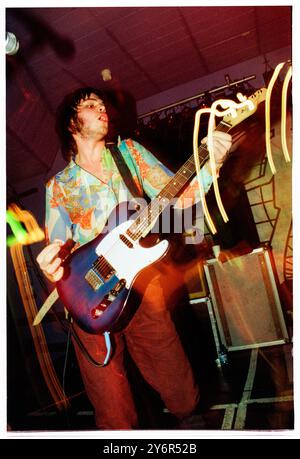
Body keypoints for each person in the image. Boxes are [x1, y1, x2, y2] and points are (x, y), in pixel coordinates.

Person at [36, 87, 232, 429]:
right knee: (109, 396)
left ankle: (193, 421)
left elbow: (180, 196)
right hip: (88, 293)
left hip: (141, 280)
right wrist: (49, 264)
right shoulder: (59, 186)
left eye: (102, 104)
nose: (102, 109)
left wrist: (210, 163)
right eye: (90, 105)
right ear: (71, 123)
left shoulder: (129, 154)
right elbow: (57, 244)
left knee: (171, 367)